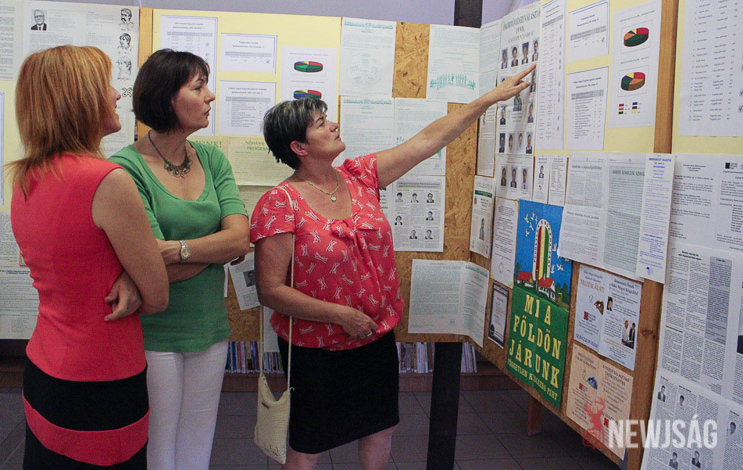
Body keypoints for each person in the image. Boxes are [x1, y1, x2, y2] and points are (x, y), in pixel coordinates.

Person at [250, 66, 533, 469]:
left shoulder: (360, 177)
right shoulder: (281, 202)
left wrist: (490, 98)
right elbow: (271, 290)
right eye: (321, 123)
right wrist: (341, 315)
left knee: (380, 428)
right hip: (316, 346)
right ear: (299, 146)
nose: (333, 125)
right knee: (309, 441)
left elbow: (428, 140)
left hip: (374, 335)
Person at [9, 45, 169, 468]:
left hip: (45, 366)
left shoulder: (27, 177)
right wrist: (138, 276)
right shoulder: (107, 179)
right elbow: (157, 296)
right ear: (79, 99)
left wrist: (130, 276)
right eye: (106, 85)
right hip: (102, 375)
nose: (117, 94)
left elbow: (75, 263)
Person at [110, 49, 249, 469]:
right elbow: (147, 266)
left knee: (198, 444)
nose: (210, 96)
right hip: (154, 331)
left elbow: (240, 238)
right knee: (158, 447)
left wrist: (176, 250)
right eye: (198, 87)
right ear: (167, 97)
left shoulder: (212, 158)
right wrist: (215, 250)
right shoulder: (126, 168)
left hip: (209, 326)